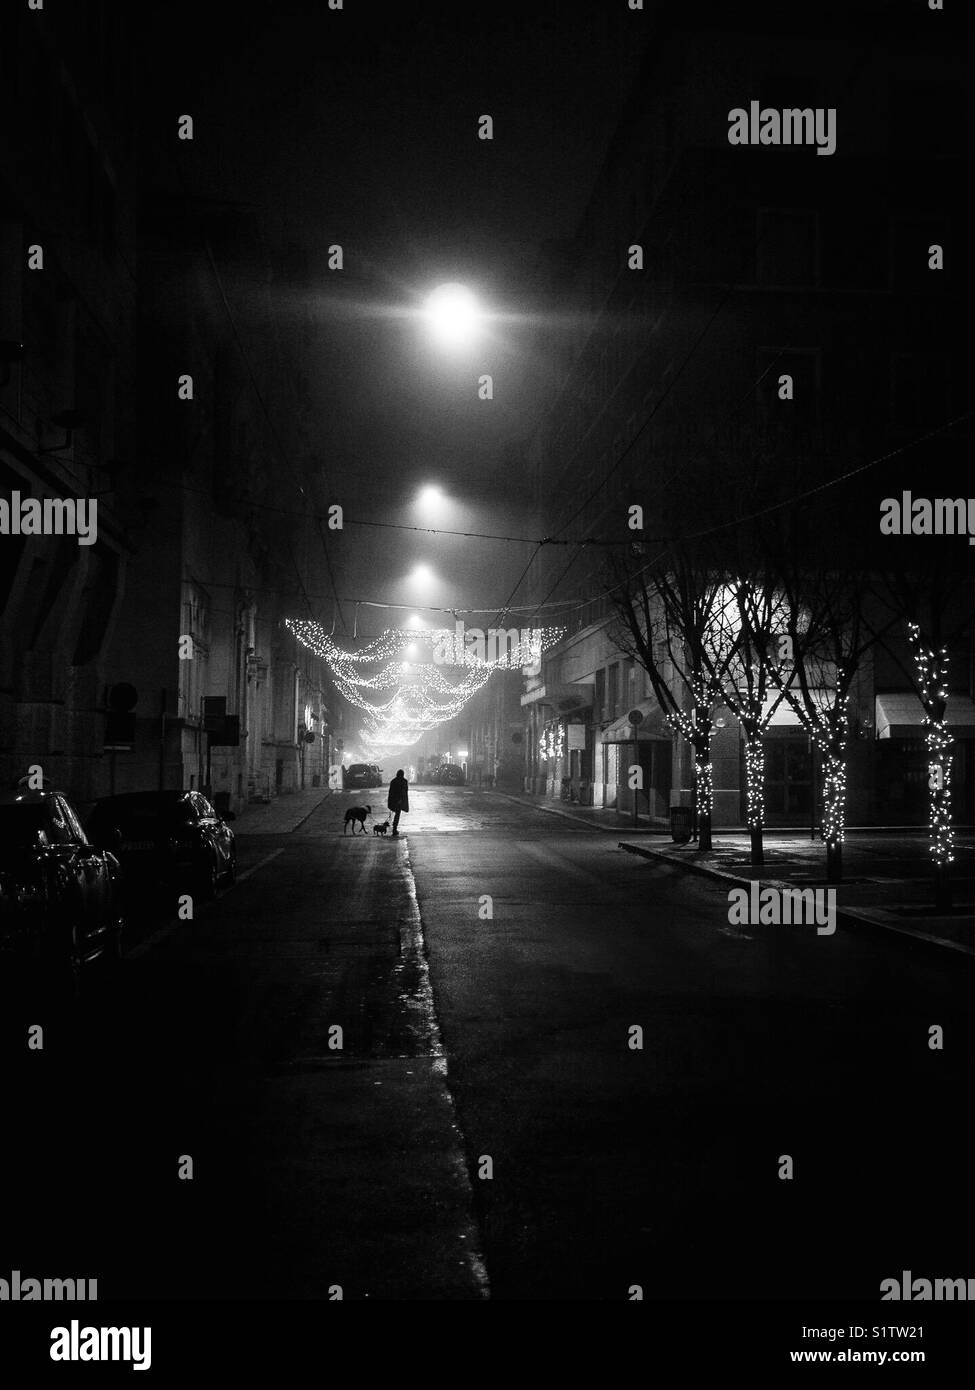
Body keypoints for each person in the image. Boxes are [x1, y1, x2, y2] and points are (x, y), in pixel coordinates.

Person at [387, 768, 409, 835]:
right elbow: (404, 791)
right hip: (399, 801)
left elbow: (391, 792)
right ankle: (394, 828)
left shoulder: (393, 781)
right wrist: (401, 800)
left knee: (396, 814)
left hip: (393, 800)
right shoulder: (404, 781)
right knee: (397, 814)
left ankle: (394, 828)